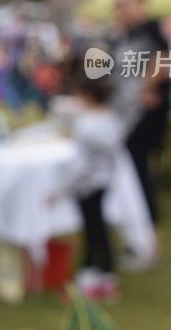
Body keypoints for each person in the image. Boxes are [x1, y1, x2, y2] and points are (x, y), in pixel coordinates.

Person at [110, 0, 171, 224]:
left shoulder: (151, 30)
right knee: (131, 170)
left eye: (122, 3)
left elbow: (163, 62)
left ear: (138, 0)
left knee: (136, 169)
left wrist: (148, 88)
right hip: (125, 111)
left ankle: (145, 226)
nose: (118, 10)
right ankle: (138, 223)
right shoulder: (127, 34)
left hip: (142, 114)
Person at [67, 72, 123, 301]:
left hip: (87, 184)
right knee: (100, 230)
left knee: (92, 231)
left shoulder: (85, 124)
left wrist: (66, 185)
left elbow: (80, 160)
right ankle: (105, 275)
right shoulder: (111, 120)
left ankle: (91, 275)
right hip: (104, 181)